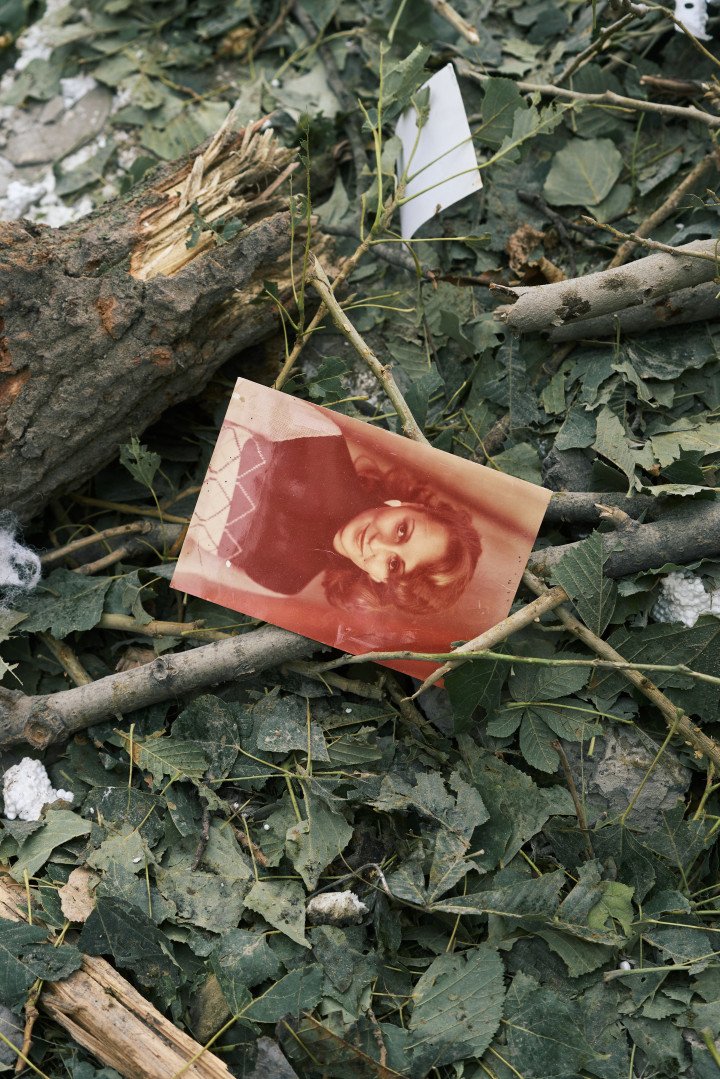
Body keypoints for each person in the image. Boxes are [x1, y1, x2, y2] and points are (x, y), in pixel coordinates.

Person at [187, 407, 481, 616]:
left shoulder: (286, 583)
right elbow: (225, 406)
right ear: (407, 505)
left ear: (379, 580)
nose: (377, 544)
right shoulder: (321, 438)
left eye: (394, 565)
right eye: (402, 530)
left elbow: (184, 561)